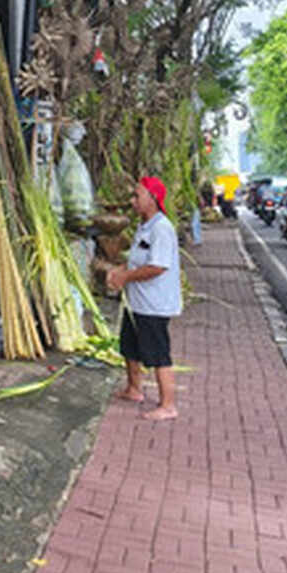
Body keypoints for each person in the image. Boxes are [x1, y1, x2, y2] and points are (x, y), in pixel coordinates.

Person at [106, 176, 182, 421]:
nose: (133, 200)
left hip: (154, 305)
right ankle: (134, 389)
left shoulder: (161, 228)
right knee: (129, 346)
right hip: (136, 302)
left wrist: (125, 277)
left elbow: (157, 267)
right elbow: (139, 260)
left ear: (153, 199)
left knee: (158, 354)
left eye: (137, 195)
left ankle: (168, 405)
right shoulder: (144, 226)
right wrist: (121, 270)